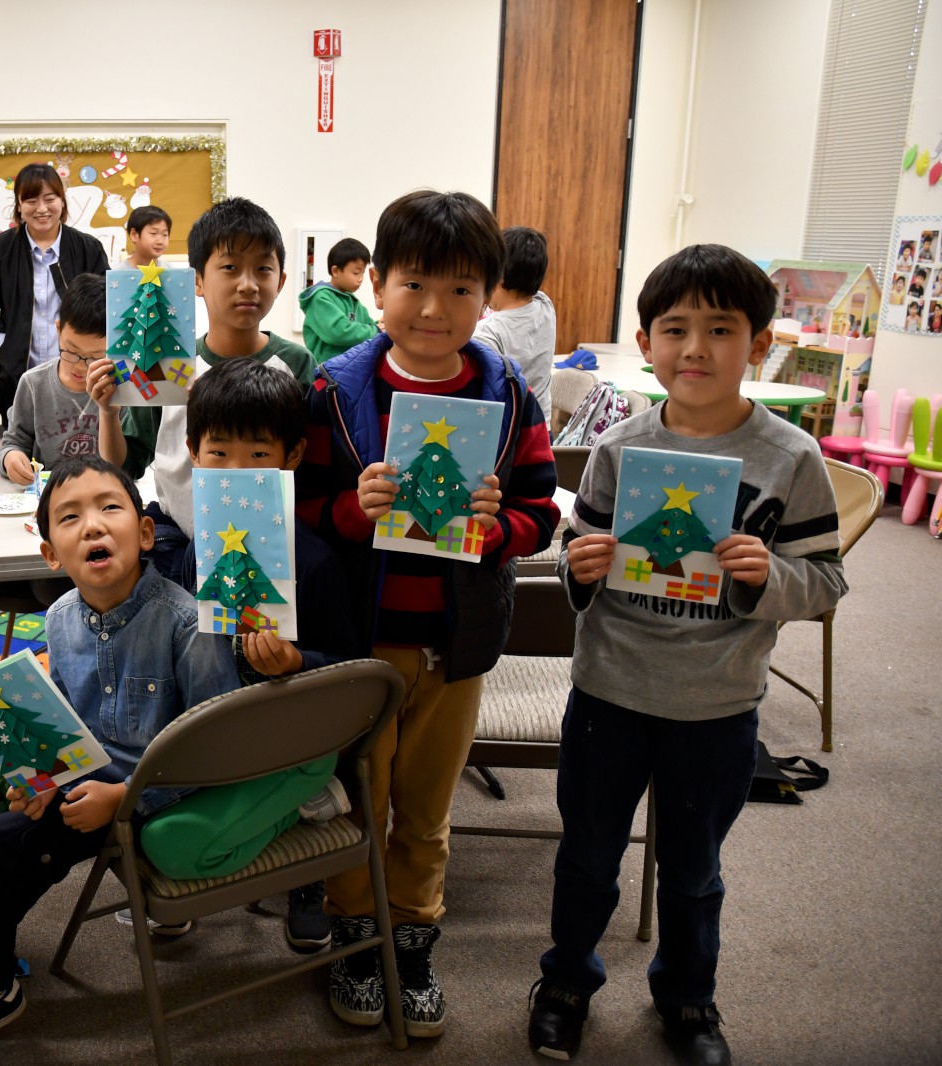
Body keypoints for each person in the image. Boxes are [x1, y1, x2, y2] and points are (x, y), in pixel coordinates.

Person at [527, 245, 846, 1066]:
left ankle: (688, 999)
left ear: (760, 344)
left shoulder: (791, 457)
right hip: (609, 693)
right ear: (646, 343)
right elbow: (574, 553)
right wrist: (578, 566)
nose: (695, 348)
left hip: (716, 704)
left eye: (721, 330)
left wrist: (766, 575)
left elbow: (824, 581)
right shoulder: (618, 446)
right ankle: (565, 983)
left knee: (694, 871)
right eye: (675, 330)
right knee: (587, 857)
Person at [297, 189, 558, 1039]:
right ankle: (352, 939)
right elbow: (300, 506)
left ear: (488, 296)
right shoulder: (336, 390)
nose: (435, 309)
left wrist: (498, 527)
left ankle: (410, 944)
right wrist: (353, 508)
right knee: (357, 801)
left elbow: (542, 509)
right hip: (360, 646)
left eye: (460, 289)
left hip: (454, 646)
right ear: (377, 285)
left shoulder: (506, 393)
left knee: (425, 809)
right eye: (415, 284)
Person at [0, 456, 240, 1060]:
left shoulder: (188, 624)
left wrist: (124, 797)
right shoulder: (59, 617)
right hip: (84, 783)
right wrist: (35, 776)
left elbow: (213, 750)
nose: (93, 525)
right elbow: (61, 722)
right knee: (12, 835)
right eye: (69, 517)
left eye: (110, 507)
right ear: (50, 554)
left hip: (153, 798)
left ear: (145, 533)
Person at [134, 356, 362, 952]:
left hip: (291, 747)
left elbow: (349, 669)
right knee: (140, 810)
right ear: (193, 453)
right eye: (218, 453)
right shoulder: (191, 555)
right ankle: (289, 812)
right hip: (214, 737)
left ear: (292, 456)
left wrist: (296, 664)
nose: (236, 471)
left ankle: (305, 864)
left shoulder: (315, 562)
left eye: (258, 454)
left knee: (168, 840)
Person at [90, 197, 317, 590]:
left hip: (267, 540)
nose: (248, 284)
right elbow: (123, 467)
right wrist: (108, 413)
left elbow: (306, 465)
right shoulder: (168, 367)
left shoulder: (295, 364)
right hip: (176, 542)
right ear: (197, 281)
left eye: (263, 269)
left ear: (280, 281)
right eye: (230, 268)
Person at [0, 163, 110, 425]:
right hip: (20, 373)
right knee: (21, 439)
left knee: (79, 437)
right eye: (31, 200)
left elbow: (106, 302)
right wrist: (2, 343)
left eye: (50, 198)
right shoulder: (0, 249)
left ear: (62, 201)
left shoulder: (87, 248)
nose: (42, 208)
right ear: (19, 206)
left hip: (79, 371)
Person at [0, 274, 105, 483]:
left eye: (95, 357)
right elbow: (13, 443)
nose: (80, 366)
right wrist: (11, 458)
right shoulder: (34, 384)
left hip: (104, 491)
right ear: (58, 330)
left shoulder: (119, 386)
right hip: (50, 493)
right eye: (71, 351)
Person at [473, 226, 557, 420]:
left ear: (499, 276)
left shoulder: (486, 333)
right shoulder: (545, 305)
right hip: (543, 426)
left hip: (510, 430)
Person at [299, 237, 378, 363]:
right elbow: (339, 332)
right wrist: (377, 330)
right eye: (356, 273)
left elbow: (369, 326)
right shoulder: (320, 299)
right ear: (335, 271)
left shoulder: (354, 302)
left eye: (363, 273)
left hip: (349, 367)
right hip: (328, 370)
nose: (361, 279)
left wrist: (381, 325)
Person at [123, 204, 172, 269]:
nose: (160, 241)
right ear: (134, 235)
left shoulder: (171, 271)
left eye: (165, 234)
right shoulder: (118, 272)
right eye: (153, 233)